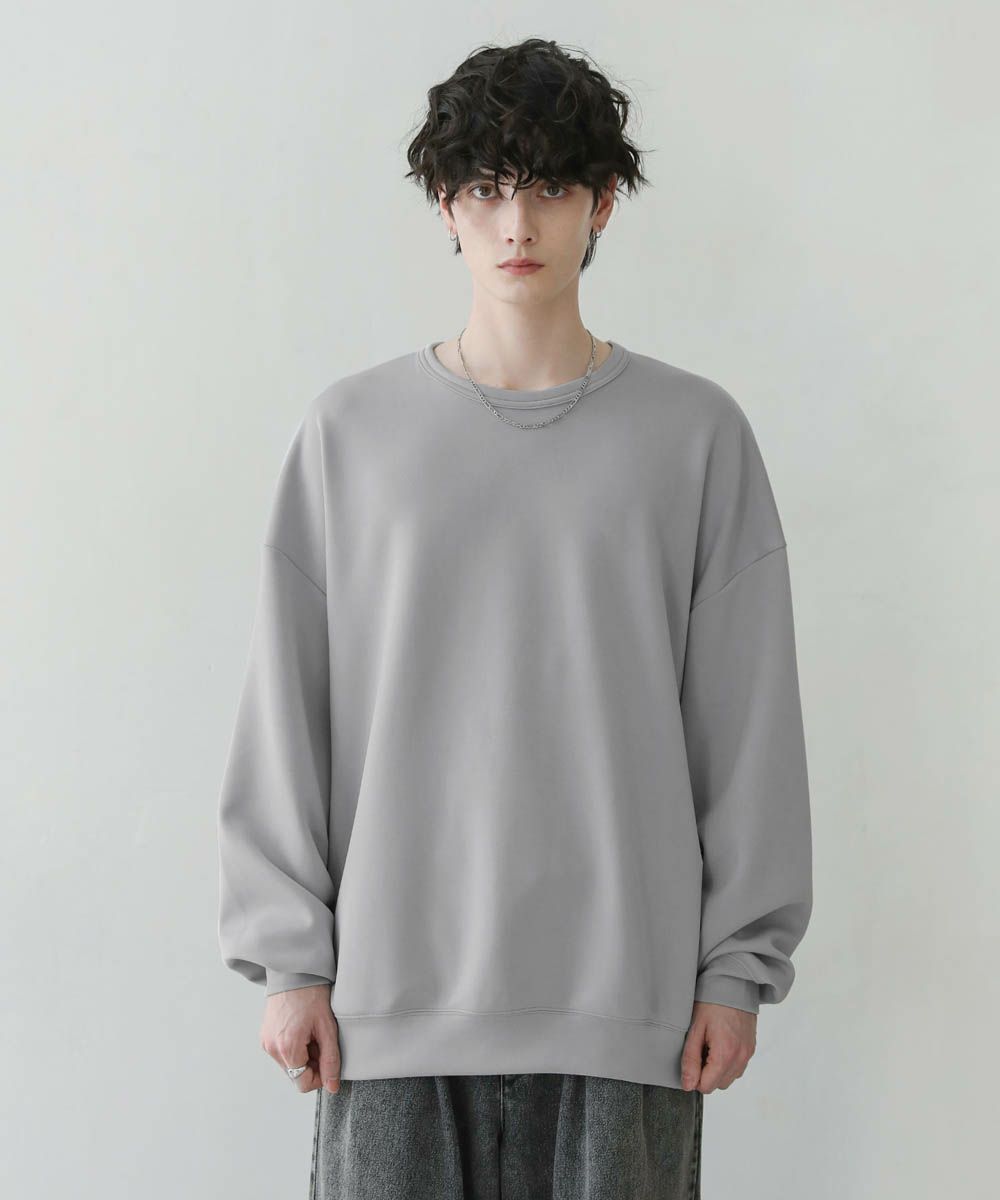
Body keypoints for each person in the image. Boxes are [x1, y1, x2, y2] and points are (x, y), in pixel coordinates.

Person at [217, 36, 813, 1200]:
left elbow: (746, 724)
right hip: (388, 1006)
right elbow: (288, 708)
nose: (517, 224)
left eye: (549, 187)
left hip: (629, 1009)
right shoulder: (350, 434)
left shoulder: (695, 436)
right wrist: (290, 962)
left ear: (603, 205)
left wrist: (735, 971)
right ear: (445, 206)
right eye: (486, 188)